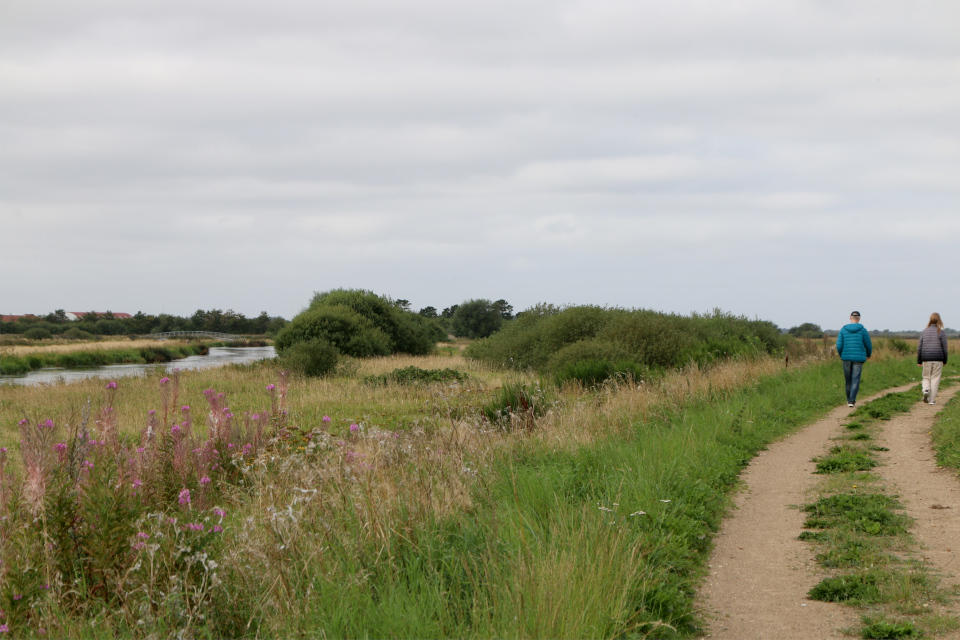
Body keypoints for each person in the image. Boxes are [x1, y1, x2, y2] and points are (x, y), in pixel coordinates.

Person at [836, 311, 872, 407]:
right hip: (858, 358)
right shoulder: (863, 330)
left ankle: (848, 400)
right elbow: (868, 345)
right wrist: (868, 354)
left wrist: (841, 354)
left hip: (846, 358)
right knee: (855, 379)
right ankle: (852, 400)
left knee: (848, 380)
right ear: (859, 319)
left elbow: (839, 345)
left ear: (850, 318)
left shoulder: (843, 330)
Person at [918, 312, 949, 405]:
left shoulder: (924, 332)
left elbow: (919, 347)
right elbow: (945, 348)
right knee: (935, 379)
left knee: (926, 377)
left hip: (926, 358)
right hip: (938, 359)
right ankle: (931, 400)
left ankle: (926, 390)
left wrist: (919, 360)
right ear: (939, 320)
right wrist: (945, 360)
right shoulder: (941, 332)